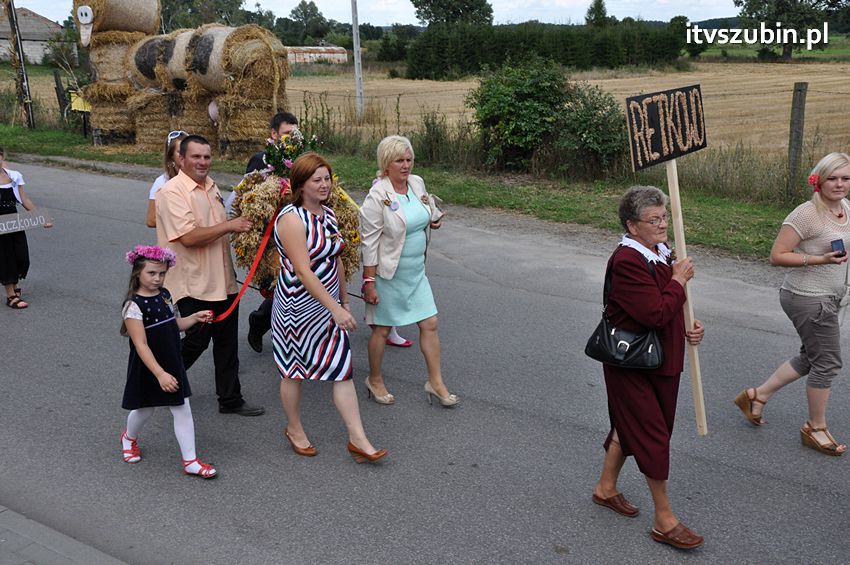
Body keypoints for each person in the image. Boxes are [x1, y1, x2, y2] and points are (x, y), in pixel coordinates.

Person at [591, 186, 705, 550]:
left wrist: (690, 323)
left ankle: (605, 488)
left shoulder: (662, 251)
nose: (661, 225)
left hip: (663, 358)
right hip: (632, 363)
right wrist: (678, 280)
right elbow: (654, 312)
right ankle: (664, 519)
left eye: (663, 217)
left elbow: (670, 309)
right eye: (652, 220)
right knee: (653, 435)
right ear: (632, 225)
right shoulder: (628, 260)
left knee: (636, 427)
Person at [272, 152, 386, 463]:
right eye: (317, 180)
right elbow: (303, 270)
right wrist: (334, 309)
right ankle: (294, 428)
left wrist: (344, 301)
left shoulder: (329, 214)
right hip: (297, 308)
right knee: (293, 370)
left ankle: (358, 439)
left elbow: (335, 257)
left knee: (341, 369)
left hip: (330, 305)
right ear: (301, 184)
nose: (324, 185)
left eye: (327, 179)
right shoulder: (291, 219)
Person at [734, 152, 850, 456]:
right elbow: (777, 256)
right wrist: (819, 259)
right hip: (808, 298)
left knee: (812, 356)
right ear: (818, 180)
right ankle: (816, 427)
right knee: (827, 362)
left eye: (845, 178)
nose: (839, 184)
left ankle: (756, 396)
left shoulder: (845, 209)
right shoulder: (807, 214)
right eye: (832, 178)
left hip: (829, 297)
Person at [155, 134, 265, 416]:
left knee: (227, 344)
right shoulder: (171, 193)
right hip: (193, 283)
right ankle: (159, 379)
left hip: (223, 281)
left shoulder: (211, 187)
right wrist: (231, 226)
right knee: (196, 340)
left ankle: (230, 399)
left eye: (206, 156)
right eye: (196, 156)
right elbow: (189, 237)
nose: (202, 162)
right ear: (181, 159)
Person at [360, 135, 457, 407]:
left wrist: (432, 219)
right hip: (389, 275)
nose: (406, 165)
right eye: (399, 160)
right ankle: (375, 379)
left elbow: (424, 210)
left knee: (430, 323)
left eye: (409, 159)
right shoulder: (377, 196)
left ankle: (435, 382)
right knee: (381, 329)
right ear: (385, 164)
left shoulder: (416, 183)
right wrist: (369, 282)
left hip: (416, 272)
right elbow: (369, 242)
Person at [119, 245, 217, 478]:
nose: (157, 278)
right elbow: (141, 345)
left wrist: (194, 317)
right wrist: (160, 374)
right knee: (145, 409)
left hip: (171, 362)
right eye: (151, 273)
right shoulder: (133, 306)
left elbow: (175, 325)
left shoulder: (165, 295)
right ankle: (128, 438)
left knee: (182, 409)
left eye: (162, 273)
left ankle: (190, 461)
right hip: (149, 367)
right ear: (137, 274)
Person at [245, 112, 298, 353]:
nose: (291, 139)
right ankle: (261, 323)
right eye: (287, 134)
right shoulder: (261, 160)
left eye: (296, 135)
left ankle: (293, 338)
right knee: (282, 286)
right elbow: (250, 198)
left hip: (298, 232)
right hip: (270, 236)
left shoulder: (302, 159)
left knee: (297, 286)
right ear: (274, 134)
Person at [0, 146, 52, 309]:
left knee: (21, 257)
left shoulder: (14, 176)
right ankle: (11, 296)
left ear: (2, 156)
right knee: (5, 258)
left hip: (14, 222)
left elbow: (24, 200)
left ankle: (14, 287)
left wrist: (41, 218)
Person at [145, 130, 187, 228]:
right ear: (171, 156)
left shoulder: (201, 179)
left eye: (188, 151)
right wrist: (183, 222)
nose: (185, 155)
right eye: (180, 152)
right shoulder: (162, 182)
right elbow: (151, 220)